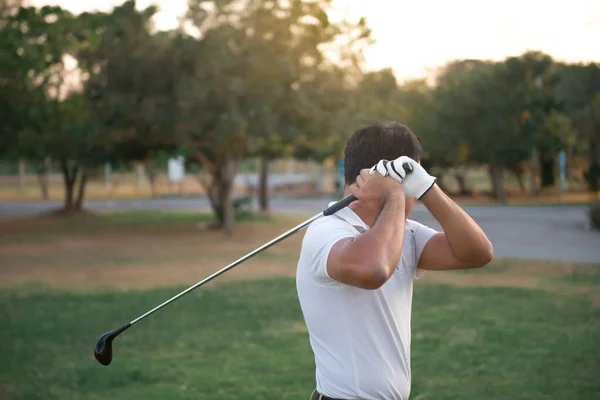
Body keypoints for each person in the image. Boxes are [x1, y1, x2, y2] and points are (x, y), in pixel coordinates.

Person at [296, 121, 493, 400]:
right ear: (380, 176)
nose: (411, 194)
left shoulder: (403, 232)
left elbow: (478, 252)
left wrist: (429, 188)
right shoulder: (326, 232)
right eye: (410, 183)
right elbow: (374, 270)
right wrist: (395, 194)